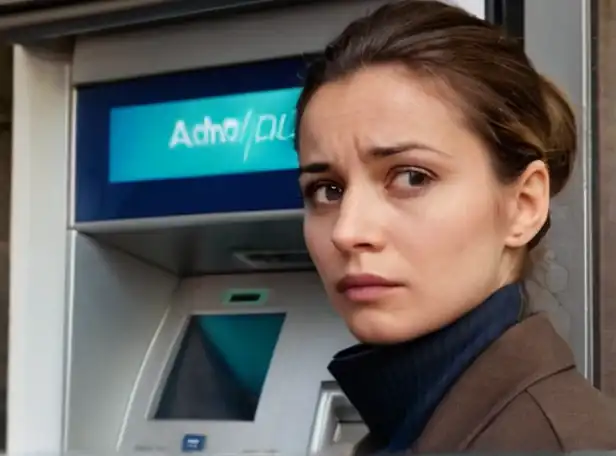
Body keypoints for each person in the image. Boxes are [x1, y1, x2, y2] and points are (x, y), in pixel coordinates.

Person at [294, 0, 616, 453]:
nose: (347, 232)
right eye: (327, 190)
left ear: (524, 205)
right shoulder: (408, 424)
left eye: (411, 177)